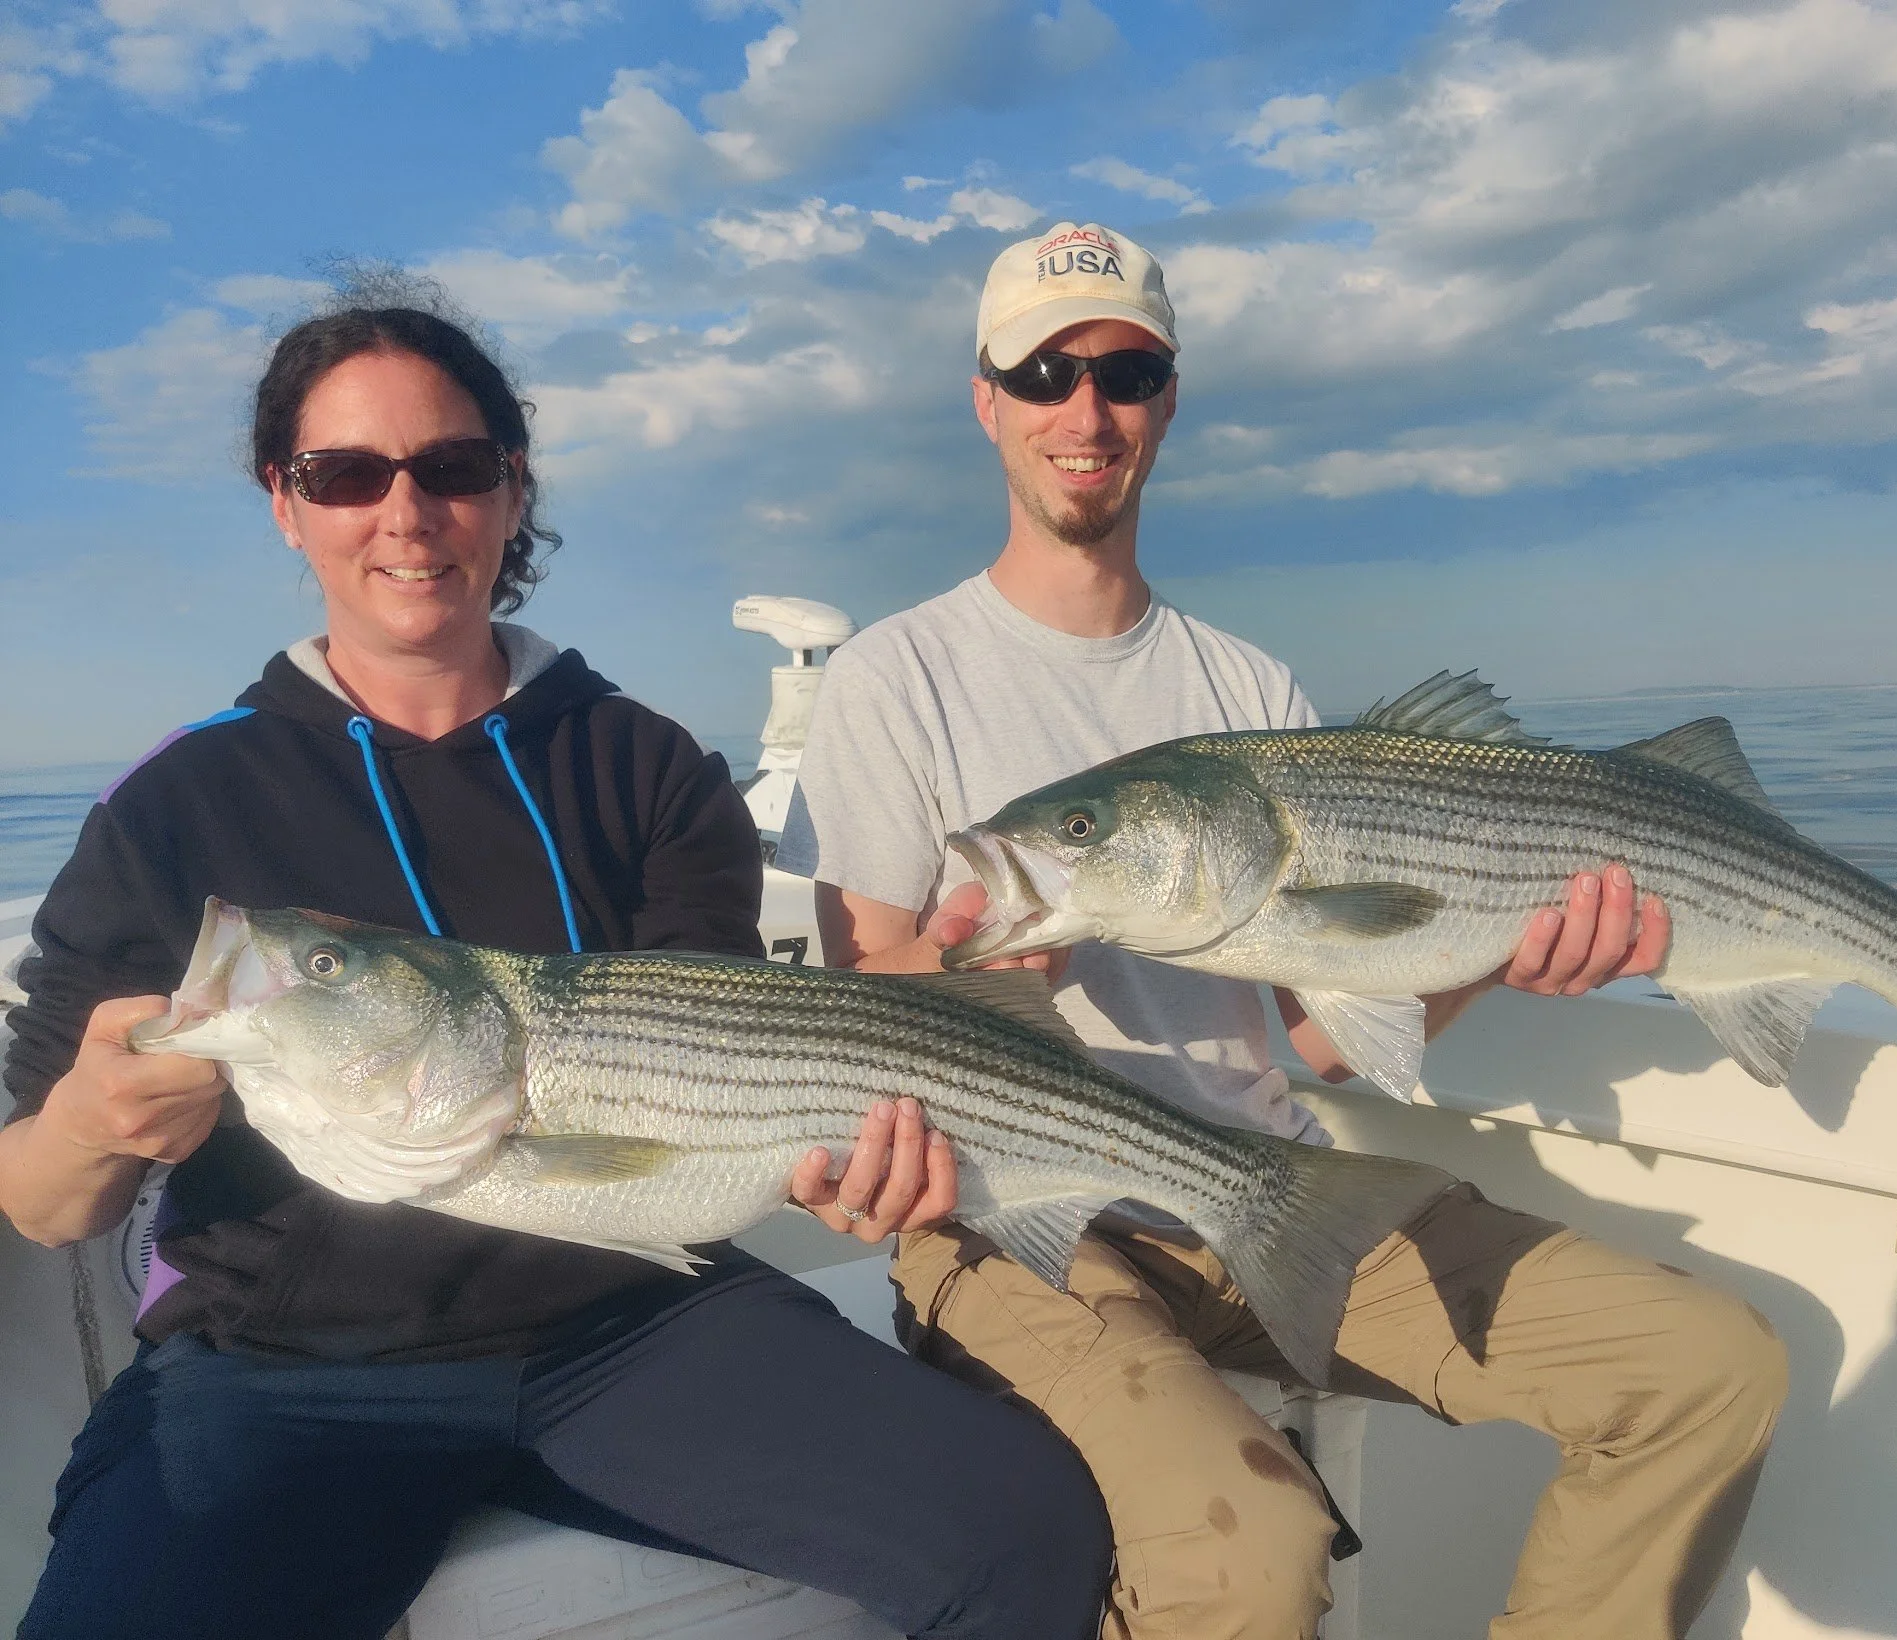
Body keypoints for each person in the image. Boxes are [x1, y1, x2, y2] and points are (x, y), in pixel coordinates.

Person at [0, 290, 1109, 1640]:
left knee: (1024, 1528)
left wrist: (843, 1169)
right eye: (345, 474)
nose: (404, 516)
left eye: (452, 468)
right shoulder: (178, 805)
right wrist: (92, 1119)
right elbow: (46, 1204)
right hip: (290, 1370)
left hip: (635, 1329)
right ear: (286, 504)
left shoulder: (643, 764)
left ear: (511, 488)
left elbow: (730, 1076)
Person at [777, 222, 1791, 1640]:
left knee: (1703, 1365)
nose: (1086, 410)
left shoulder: (1247, 683)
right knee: (1250, 1547)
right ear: (986, 398)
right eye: (1046, 372)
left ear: (1168, 400)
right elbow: (848, 996)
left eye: (1124, 372)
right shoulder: (899, 674)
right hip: (1010, 1225)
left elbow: (1318, 1026)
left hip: (1273, 1192)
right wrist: (965, 975)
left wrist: (1500, 948)